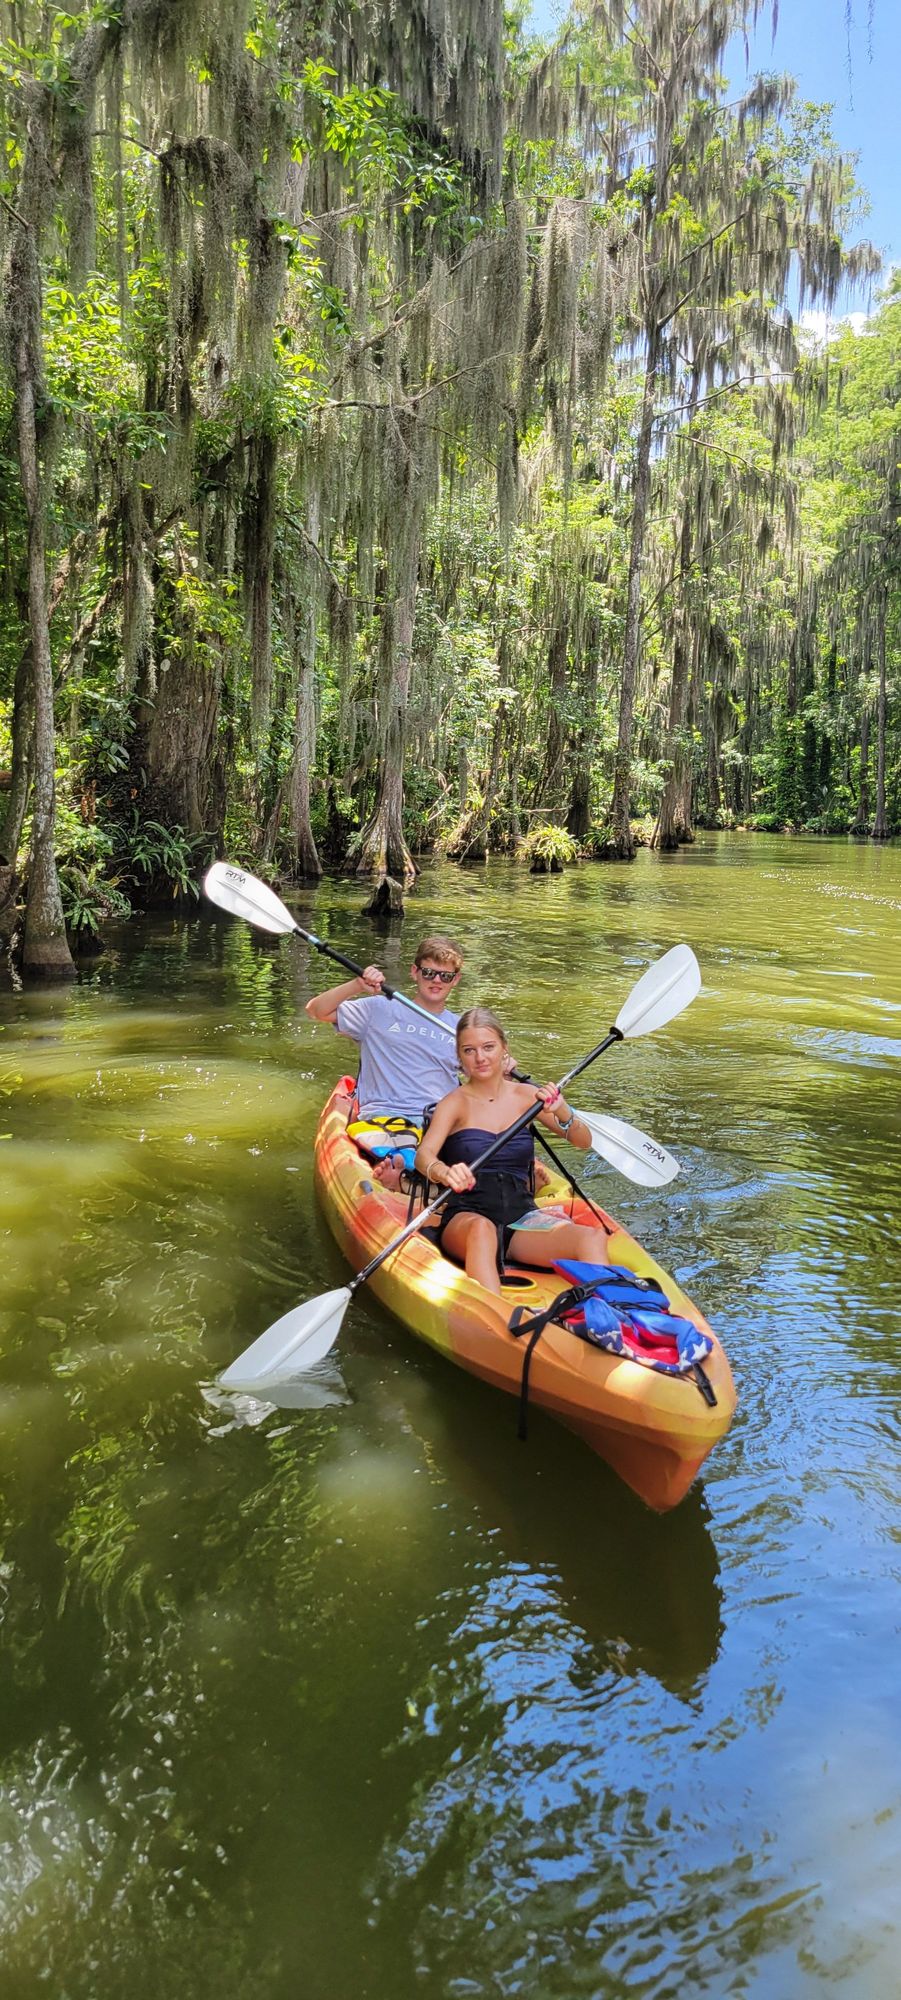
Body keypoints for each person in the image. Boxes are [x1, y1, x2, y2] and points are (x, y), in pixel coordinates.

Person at [415, 1006, 611, 1295]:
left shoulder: (527, 1097)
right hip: (468, 1218)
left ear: (504, 1049)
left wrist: (563, 1110)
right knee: (482, 1231)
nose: (480, 1057)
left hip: (522, 1219)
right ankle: (495, 1317)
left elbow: (583, 1141)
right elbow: (424, 1156)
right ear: (459, 1057)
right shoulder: (454, 1103)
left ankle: (612, 1317)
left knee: (591, 1238)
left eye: (488, 1047)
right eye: (469, 1050)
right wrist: (445, 1172)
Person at [305, 935, 465, 1185]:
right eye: (429, 972)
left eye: (445, 976)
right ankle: (405, 1174)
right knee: (406, 1151)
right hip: (385, 1116)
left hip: (440, 1122)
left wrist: (504, 1068)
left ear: (455, 980)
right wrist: (357, 985)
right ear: (415, 972)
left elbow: (486, 1078)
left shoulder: (462, 1029)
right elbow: (316, 1010)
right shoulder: (379, 1009)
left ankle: (410, 1176)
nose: (436, 980)